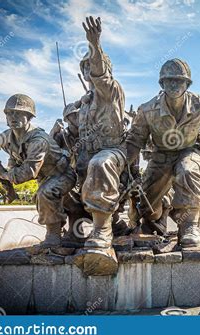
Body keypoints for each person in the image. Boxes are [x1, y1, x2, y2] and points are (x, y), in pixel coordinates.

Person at [125, 58, 200, 247]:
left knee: (188, 171)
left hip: (188, 150)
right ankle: (153, 222)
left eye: (179, 80)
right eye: (170, 80)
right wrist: (123, 162)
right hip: (160, 154)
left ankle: (189, 225)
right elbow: (135, 140)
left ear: (187, 84)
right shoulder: (148, 109)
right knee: (147, 200)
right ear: (162, 84)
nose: (174, 84)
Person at [0, 94, 76, 247]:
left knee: (46, 193)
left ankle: (53, 236)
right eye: (9, 113)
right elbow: (15, 162)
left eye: (18, 113)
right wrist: (4, 175)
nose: (13, 117)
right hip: (43, 177)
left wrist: (2, 173)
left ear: (29, 117)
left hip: (63, 174)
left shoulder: (38, 140)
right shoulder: (5, 139)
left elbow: (27, 172)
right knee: (41, 194)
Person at [76, 16, 127, 248]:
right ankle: (63, 230)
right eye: (85, 66)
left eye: (92, 65)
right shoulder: (85, 101)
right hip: (85, 152)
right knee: (58, 175)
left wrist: (95, 45)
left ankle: (101, 229)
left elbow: (101, 76)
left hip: (112, 152)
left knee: (100, 164)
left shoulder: (111, 88)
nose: (89, 69)